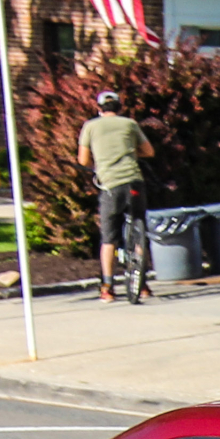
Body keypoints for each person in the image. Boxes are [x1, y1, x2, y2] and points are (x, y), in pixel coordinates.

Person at [77, 91, 154, 303]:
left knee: (109, 238)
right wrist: (129, 153)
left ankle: (108, 287)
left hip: (110, 184)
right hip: (134, 181)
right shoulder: (130, 124)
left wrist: (100, 164)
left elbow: (83, 160)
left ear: (99, 108)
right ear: (120, 107)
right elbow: (149, 151)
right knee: (138, 226)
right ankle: (143, 284)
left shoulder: (90, 127)